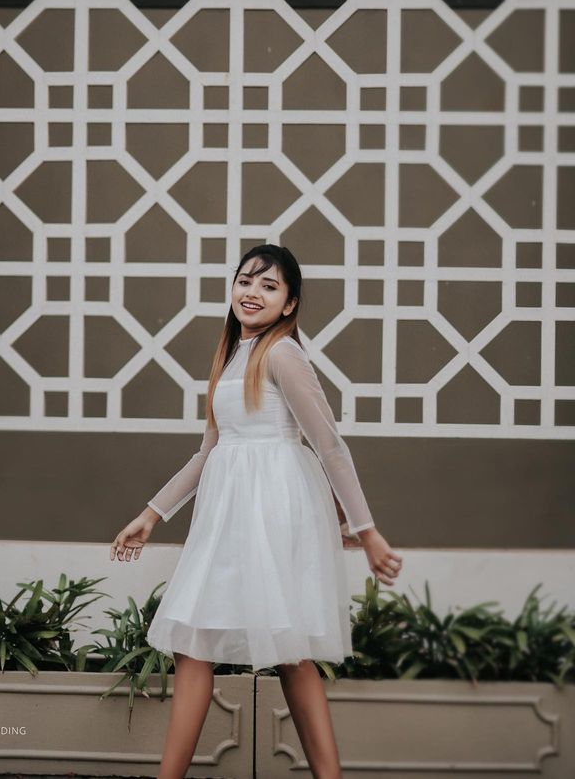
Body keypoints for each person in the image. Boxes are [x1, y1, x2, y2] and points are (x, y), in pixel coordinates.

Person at [110, 244, 403, 779]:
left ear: (290, 305)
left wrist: (368, 530)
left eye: (270, 287)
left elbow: (329, 445)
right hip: (227, 514)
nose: (253, 292)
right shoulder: (232, 356)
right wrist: (151, 514)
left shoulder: (283, 354)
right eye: (247, 280)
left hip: (271, 509)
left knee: (287, 653)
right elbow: (210, 451)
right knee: (194, 643)